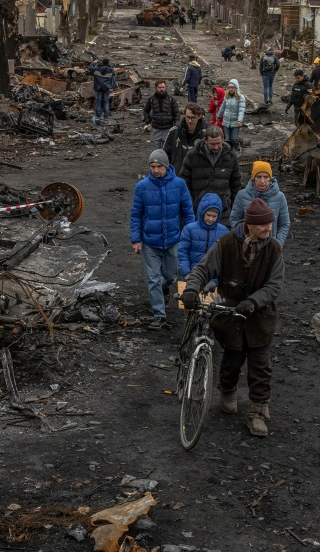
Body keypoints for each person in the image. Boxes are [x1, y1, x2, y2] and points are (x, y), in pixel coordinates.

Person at [182, 197, 284, 437]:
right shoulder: (226, 244)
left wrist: (253, 302)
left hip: (260, 318)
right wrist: (190, 289)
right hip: (230, 316)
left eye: (271, 224)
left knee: (260, 367)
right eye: (264, 225)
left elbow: (275, 285)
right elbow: (202, 269)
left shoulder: (274, 249)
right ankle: (227, 390)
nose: (269, 228)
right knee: (231, 359)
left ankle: (257, 413)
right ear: (249, 225)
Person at [130, 149, 195, 330]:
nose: (156, 170)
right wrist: (136, 239)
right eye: (153, 166)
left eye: (159, 166)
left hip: (173, 239)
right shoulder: (142, 187)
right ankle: (159, 315)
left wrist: (190, 235)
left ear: (167, 166)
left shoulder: (179, 185)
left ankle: (164, 288)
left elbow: (188, 212)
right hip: (150, 240)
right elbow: (136, 214)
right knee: (152, 278)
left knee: (170, 276)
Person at [179, 126, 242, 218]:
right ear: (205, 140)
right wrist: (191, 204)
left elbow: (236, 185)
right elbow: (184, 182)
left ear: (223, 139)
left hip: (223, 212)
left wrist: (232, 208)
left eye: (218, 143)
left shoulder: (231, 157)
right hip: (198, 211)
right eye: (212, 144)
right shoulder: (192, 155)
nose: (216, 147)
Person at [230, 161, 291, 245]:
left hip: (270, 245)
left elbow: (284, 224)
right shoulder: (242, 195)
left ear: (270, 178)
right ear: (253, 178)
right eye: (259, 177)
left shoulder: (280, 197)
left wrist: (278, 244)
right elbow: (234, 220)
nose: (262, 181)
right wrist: (242, 238)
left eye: (265, 177)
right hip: (247, 244)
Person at [178, 193, 229, 280]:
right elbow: (182, 252)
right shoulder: (189, 229)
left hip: (214, 278)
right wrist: (186, 273)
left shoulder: (224, 231)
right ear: (202, 213)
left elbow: (227, 255)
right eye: (208, 215)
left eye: (214, 216)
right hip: (192, 276)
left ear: (219, 216)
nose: (211, 219)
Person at [164, 103, 207, 172]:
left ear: (199, 116)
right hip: (177, 174)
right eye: (188, 117)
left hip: (196, 176)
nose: (190, 121)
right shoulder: (174, 132)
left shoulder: (206, 134)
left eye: (193, 117)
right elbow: (165, 154)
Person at [143, 80, 180, 150]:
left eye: (163, 87)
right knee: (156, 151)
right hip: (155, 129)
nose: (162, 89)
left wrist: (176, 126)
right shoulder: (151, 100)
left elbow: (177, 114)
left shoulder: (171, 100)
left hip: (168, 130)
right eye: (160, 87)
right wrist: (148, 123)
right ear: (156, 88)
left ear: (166, 87)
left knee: (166, 152)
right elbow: (145, 111)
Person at [216, 79, 247, 151]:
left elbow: (241, 110)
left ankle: (238, 147)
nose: (231, 89)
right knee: (227, 139)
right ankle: (229, 152)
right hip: (226, 121)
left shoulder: (240, 98)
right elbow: (222, 107)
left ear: (236, 88)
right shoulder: (226, 97)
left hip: (235, 122)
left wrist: (240, 120)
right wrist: (218, 116)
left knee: (234, 138)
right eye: (229, 88)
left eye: (232, 88)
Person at [88, 58, 116, 125]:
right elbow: (113, 72)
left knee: (98, 102)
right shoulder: (110, 70)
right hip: (106, 88)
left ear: (102, 63)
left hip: (98, 88)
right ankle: (106, 117)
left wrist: (94, 63)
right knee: (106, 102)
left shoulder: (97, 70)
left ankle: (98, 116)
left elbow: (90, 68)